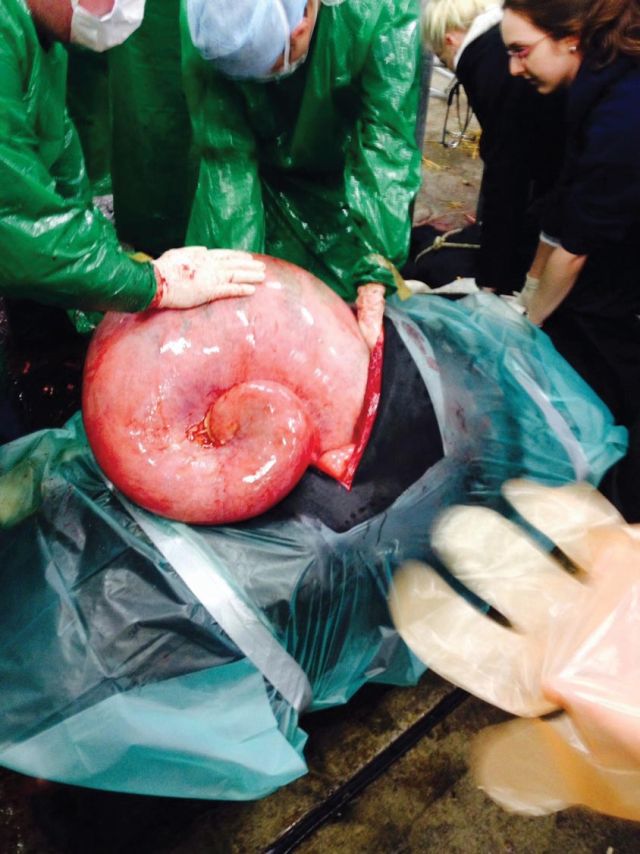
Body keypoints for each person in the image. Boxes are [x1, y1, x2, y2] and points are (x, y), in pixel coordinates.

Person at [0, 0, 265, 440]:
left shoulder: (39, 33)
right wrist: (152, 284)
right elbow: (19, 227)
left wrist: (106, 254)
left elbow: (57, 154)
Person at [180, 0, 423, 302]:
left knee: (343, 296)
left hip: (344, 183)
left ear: (302, 23)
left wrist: (376, 268)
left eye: (271, 68)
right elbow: (227, 155)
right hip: (263, 178)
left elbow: (386, 141)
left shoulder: (382, 10)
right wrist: (233, 274)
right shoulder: (213, 17)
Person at [501, 0, 640, 520]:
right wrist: (529, 285)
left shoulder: (624, 110)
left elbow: (578, 243)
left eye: (521, 51)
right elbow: (564, 204)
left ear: (571, 37)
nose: (513, 68)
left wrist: (528, 327)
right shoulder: (599, 84)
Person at [415, 0, 565, 295]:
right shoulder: (503, 39)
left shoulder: (483, 61)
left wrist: (491, 279)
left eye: (443, 58)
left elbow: (505, 174)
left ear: (449, 40)